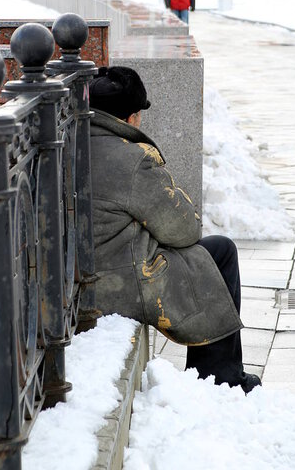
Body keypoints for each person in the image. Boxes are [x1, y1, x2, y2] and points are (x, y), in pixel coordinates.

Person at [89, 66, 261, 394]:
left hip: (83, 275)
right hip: (118, 282)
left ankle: (220, 372)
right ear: (131, 117)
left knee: (204, 255)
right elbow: (184, 230)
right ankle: (219, 376)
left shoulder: (70, 141)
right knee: (219, 250)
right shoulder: (130, 158)